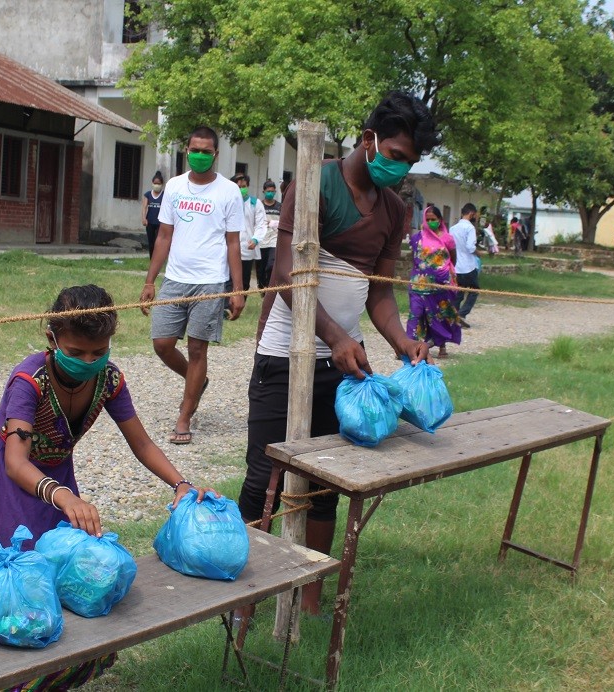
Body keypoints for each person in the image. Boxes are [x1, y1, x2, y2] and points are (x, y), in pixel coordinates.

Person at [0, 285, 216, 690]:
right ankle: (2, 681)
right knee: (10, 584)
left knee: (64, 575)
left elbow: (141, 443)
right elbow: (15, 462)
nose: (88, 361)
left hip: (57, 479)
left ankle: (55, 677)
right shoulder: (29, 381)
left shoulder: (108, 380)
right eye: (75, 353)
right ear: (51, 340)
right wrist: (61, 494)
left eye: (98, 352)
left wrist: (180, 483)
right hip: (4, 479)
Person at [237, 91, 438, 616]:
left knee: (325, 482)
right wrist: (334, 335)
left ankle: (308, 599)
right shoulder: (315, 182)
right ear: (368, 138)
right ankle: (241, 598)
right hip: (285, 354)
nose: (397, 167)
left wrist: (402, 342)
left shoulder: (394, 209)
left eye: (408, 162)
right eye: (393, 154)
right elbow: (284, 277)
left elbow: (379, 292)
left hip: (342, 365)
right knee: (266, 476)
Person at [139, 126, 245, 446]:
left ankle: (184, 416)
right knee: (162, 343)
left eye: (206, 151)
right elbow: (164, 236)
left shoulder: (228, 191)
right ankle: (196, 382)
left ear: (215, 154)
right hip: (175, 278)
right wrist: (149, 280)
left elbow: (233, 243)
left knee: (198, 348)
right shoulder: (173, 186)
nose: (200, 155)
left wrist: (237, 289)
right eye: (194, 149)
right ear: (187, 151)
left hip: (210, 282)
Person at [407, 205, 461, 358]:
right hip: (418, 284)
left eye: (433, 219)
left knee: (438, 315)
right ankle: (408, 347)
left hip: (440, 285)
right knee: (415, 314)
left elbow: (452, 258)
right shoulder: (418, 238)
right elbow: (415, 259)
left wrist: (443, 273)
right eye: (428, 219)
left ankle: (441, 346)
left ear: (440, 220)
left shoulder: (447, 239)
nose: (430, 222)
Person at [232, 173, 268, 294]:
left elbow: (261, 224)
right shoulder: (228, 201)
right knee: (228, 280)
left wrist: (256, 239)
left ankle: (239, 305)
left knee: (244, 281)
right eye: (238, 186)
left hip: (247, 248)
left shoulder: (255, 203)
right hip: (228, 248)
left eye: (243, 186)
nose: (241, 188)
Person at [451, 203, 480, 328]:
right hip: (468, 266)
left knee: (459, 292)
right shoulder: (470, 228)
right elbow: (470, 247)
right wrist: (478, 253)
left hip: (456, 266)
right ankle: (462, 314)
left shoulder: (453, 228)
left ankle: (454, 316)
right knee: (474, 290)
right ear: (471, 213)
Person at [258, 179, 281, 287]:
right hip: (261, 240)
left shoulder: (279, 206)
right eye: (268, 191)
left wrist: (274, 223)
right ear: (264, 191)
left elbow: (284, 222)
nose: (270, 193)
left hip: (274, 240)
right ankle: (262, 286)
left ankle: (269, 286)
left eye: (272, 191)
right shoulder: (259, 205)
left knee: (271, 265)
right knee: (261, 267)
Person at [141, 172, 164, 258]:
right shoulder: (148, 194)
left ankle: (158, 258)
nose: (156, 185)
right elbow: (144, 207)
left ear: (162, 184)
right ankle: (152, 258)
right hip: (150, 222)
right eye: (155, 183)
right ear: (152, 183)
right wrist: (143, 218)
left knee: (158, 242)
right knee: (151, 242)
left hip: (160, 223)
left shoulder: (164, 195)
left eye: (158, 183)